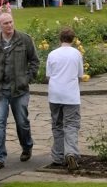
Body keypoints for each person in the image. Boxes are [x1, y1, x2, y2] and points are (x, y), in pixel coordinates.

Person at [0, 12, 39, 170]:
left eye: (10, 22)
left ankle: (27, 146)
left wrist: (26, 79)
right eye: (5, 23)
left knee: (22, 122)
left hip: (19, 90)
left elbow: (34, 61)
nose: (9, 25)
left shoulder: (24, 39)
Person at [46, 28, 83, 171]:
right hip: (71, 95)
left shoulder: (52, 54)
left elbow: (48, 75)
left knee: (57, 125)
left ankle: (58, 156)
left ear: (60, 39)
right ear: (72, 39)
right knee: (71, 125)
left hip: (55, 94)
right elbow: (80, 75)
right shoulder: (76, 54)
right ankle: (71, 152)